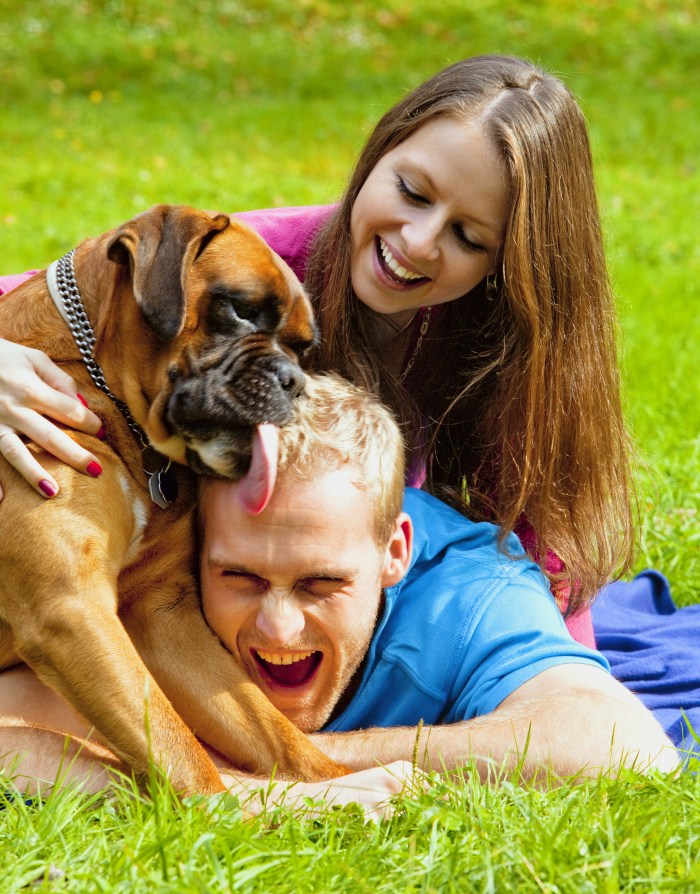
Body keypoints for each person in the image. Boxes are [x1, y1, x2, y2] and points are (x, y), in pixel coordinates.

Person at [0, 55, 633, 649]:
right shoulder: (265, 262)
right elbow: (44, 295)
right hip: (187, 599)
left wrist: (565, 677)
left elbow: (545, 552)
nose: (417, 242)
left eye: (467, 236)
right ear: (378, 153)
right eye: (412, 191)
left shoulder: (505, 347)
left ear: (507, 267)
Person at [0, 374, 677, 816]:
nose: (279, 627)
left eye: (321, 583)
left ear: (395, 551)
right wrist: (257, 796)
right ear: (195, 547)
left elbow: (628, 748)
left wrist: (315, 765)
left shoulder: (464, 594)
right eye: (241, 577)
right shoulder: (161, 584)